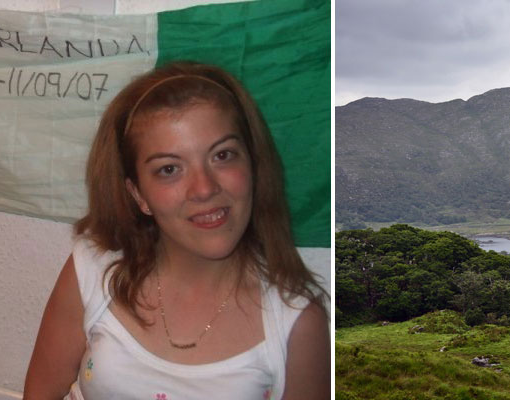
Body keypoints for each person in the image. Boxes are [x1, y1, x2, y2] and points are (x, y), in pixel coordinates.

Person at [23, 61, 330, 399]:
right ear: (138, 194)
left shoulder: (295, 321)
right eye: (169, 169)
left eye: (223, 155)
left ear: (254, 165)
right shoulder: (92, 270)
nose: (203, 189)